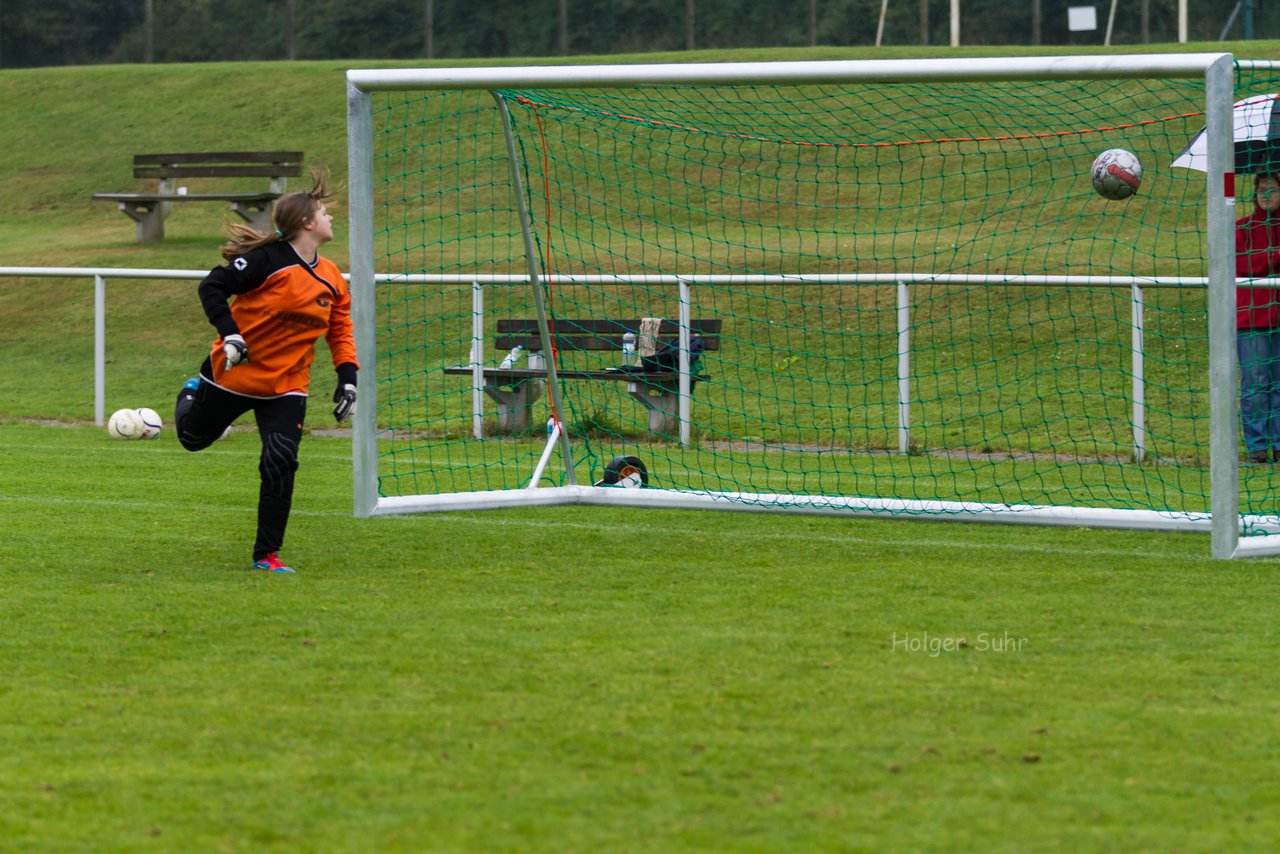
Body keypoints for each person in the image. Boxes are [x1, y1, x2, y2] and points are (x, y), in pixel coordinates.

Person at [174, 168, 358, 573]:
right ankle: (190, 391)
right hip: (233, 373)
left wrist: (348, 378)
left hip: (287, 385)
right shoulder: (265, 260)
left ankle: (267, 555)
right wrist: (232, 336)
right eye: (325, 212)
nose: (331, 218)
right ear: (307, 223)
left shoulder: (331, 277)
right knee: (191, 439)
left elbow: (340, 330)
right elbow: (212, 287)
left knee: (279, 460)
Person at [1236, 172, 1280, 464]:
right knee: (1254, 384)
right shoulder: (1241, 228)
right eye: (1262, 189)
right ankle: (1257, 447)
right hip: (1251, 320)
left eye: (1273, 189)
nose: (1266, 194)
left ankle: (1278, 443)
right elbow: (1242, 263)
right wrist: (1275, 256)